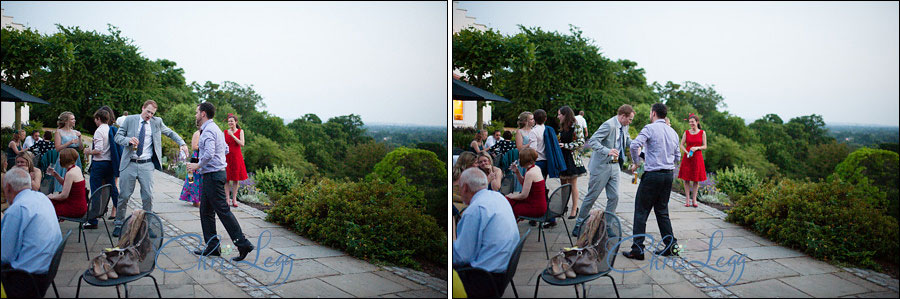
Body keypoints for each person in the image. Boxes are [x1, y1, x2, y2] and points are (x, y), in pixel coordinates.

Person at [186, 102, 254, 261]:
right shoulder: (214, 128)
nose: (196, 115)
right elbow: (225, 149)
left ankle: (243, 244)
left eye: (197, 112)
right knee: (206, 211)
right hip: (214, 174)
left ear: (203, 114)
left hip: (213, 176)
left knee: (222, 211)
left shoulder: (209, 130)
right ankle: (213, 247)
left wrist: (197, 165)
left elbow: (209, 153)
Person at [112, 100, 189, 237]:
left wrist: (182, 143)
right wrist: (128, 140)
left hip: (146, 164)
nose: (149, 115)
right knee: (124, 196)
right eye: (148, 111)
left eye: (152, 113)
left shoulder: (156, 122)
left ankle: (146, 226)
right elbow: (118, 137)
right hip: (129, 162)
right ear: (142, 108)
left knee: (148, 196)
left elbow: (170, 133)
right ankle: (119, 223)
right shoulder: (130, 120)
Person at [624, 103, 681, 260]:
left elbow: (635, 144)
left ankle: (637, 249)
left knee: (641, 211)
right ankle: (671, 246)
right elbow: (678, 157)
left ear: (654, 113)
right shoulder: (673, 132)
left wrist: (636, 162)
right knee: (662, 212)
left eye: (650, 112)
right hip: (668, 175)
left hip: (653, 175)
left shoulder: (650, 128)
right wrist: (666, 162)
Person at [452, 168, 519, 297]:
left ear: (465, 188)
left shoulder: (475, 210)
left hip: (486, 278)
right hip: (505, 270)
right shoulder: (498, 197)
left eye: (459, 188)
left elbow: (461, 256)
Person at [572, 104, 634, 237]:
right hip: (601, 166)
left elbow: (626, 139)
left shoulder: (624, 125)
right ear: (623, 116)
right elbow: (593, 141)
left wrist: (637, 144)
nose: (630, 122)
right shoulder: (609, 125)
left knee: (614, 197)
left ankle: (607, 226)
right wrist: (607, 151)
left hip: (615, 166)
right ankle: (579, 224)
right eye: (630, 119)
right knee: (592, 196)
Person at [1, 168, 62, 298]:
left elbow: (4, 256)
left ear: (8, 187)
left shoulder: (17, 209)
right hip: (46, 271)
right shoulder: (42, 198)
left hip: (26, 279)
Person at [83, 108, 119, 229]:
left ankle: (93, 220)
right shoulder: (109, 129)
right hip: (109, 163)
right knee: (113, 189)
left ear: (98, 118)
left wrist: (88, 151)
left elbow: (98, 150)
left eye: (95, 119)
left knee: (96, 191)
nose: (95, 121)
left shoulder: (99, 131)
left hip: (99, 165)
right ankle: (120, 214)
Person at [557, 106, 587, 219]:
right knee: (563, 184)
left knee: (573, 184)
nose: (558, 116)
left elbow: (581, 142)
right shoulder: (561, 127)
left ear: (565, 115)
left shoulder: (576, 125)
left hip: (572, 159)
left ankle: (574, 209)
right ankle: (563, 207)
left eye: (559, 114)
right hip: (562, 158)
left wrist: (565, 145)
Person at [505, 148, 547, 219]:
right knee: (508, 200)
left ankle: (510, 227)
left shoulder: (530, 173)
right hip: (539, 204)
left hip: (535, 207)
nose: (518, 160)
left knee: (508, 205)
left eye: (520, 158)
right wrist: (517, 172)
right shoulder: (536, 168)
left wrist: (511, 196)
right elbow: (525, 184)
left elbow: (524, 195)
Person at [46, 148, 87, 219]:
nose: (59, 160)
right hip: (81, 205)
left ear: (65, 160)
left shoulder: (70, 173)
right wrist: (56, 175)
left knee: (47, 206)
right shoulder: (76, 168)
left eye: (60, 158)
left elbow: (64, 196)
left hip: (75, 208)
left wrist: (52, 196)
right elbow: (67, 185)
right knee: (50, 202)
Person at [678, 114, 707, 208]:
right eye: (690, 122)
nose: (691, 123)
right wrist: (687, 152)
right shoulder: (686, 132)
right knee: (686, 179)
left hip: (697, 158)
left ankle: (694, 200)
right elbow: (681, 145)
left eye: (692, 122)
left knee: (696, 179)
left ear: (697, 122)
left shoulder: (702, 133)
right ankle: (687, 199)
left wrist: (697, 148)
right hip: (688, 158)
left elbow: (705, 146)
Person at [51, 112, 83, 193]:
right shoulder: (59, 132)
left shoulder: (76, 132)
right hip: (64, 157)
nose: (74, 121)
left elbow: (81, 148)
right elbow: (57, 148)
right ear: (66, 121)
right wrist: (70, 142)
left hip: (75, 157)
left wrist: (80, 137)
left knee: (74, 180)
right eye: (72, 119)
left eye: (74, 119)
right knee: (63, 178)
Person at [224, 113, 248, 208]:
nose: (230, 123)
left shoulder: (240, 131)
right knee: (227, 179)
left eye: (232, 121)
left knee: (235, 179)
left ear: (236, 122)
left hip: (236, 157)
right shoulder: (225, 132)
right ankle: (227, 199)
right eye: (229, 121)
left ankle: (234, 199)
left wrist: (233, 135)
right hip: (227, 157)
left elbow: (242, 144)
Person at [179, 130, 203, 207]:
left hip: (201, 159)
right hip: (195, 159)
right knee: (192, 180)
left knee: (199, 181)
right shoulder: (197, 133)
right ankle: (195, 201)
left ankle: (198, 200)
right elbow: (194, 146)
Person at [531, 109, 549, 178]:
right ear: (545, 118)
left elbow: (533, 149)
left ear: (534, 119)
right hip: (547, 160)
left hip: (538, 160)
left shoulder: (534, 131)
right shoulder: (547, 129)